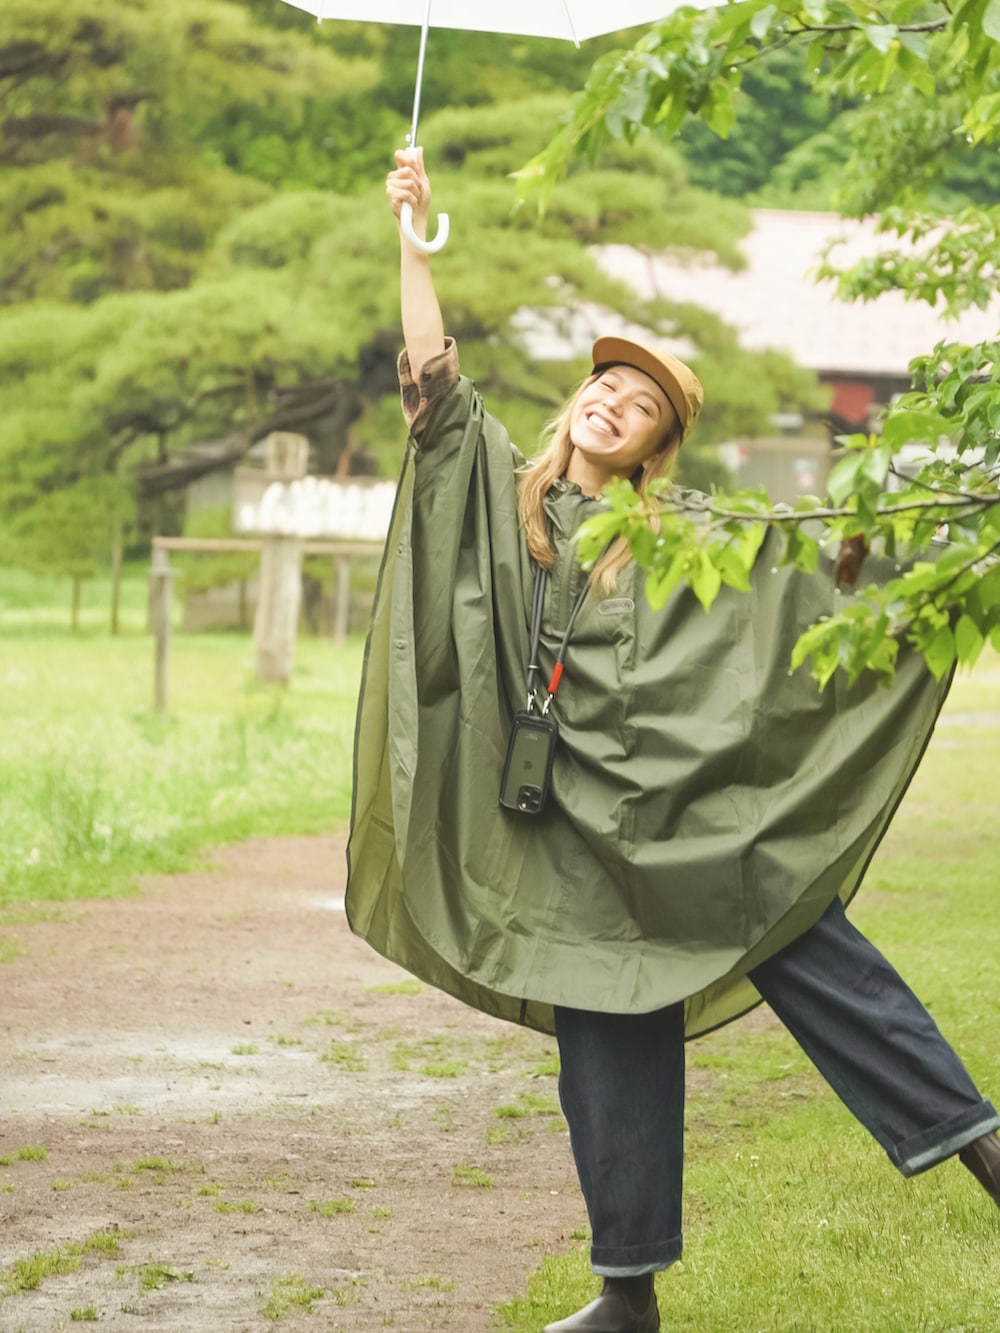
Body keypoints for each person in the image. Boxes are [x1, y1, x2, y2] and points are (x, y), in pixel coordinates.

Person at [345, 148, 1000, 1333]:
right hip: (568, 831)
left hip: (688, 816)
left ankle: (985, 1151)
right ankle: (626, 1291)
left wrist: (940, 534)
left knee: (820, 957)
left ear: (655, 446)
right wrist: (413, 233)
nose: (610, 401)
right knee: (603, 1030)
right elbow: (436, 384)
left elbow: (807, 570)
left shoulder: (681, 532)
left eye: (638, 403)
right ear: (575, 402)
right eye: (603, 385)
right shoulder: (506, 497)